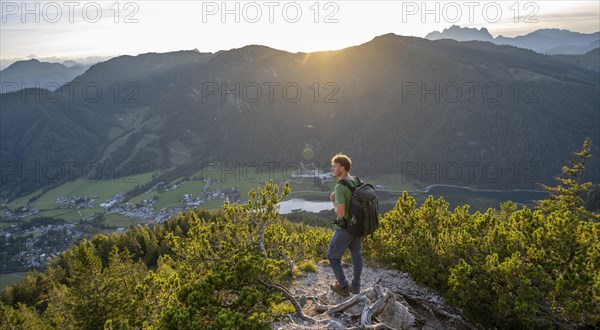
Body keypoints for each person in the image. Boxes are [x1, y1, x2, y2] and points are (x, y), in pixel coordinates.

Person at [327, 153, 362, 296]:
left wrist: (333, 201)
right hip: (358, 226)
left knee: (332, 256)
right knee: (356, 255)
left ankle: (342, 285)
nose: (332, 169)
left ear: (342, 168)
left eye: (334, 166)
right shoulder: (356, 181)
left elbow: (340, 213)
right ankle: (356, 286)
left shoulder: (340, 187)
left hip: (345, 228)